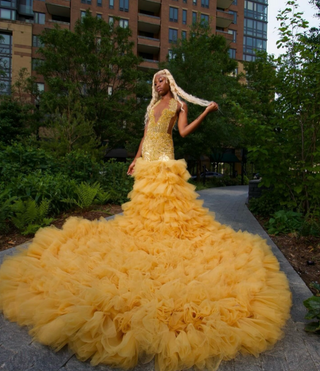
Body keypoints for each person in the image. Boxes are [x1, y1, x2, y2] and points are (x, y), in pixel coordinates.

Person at [0, 69, 291, 371]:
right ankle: (146, 240)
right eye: (154, 82)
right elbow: (146, 133)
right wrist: (136, 158)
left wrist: (206, 112)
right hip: (148, 162)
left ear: (170, 82)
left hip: (166, 162)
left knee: (169, 210)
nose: (157, 85)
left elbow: (182, 133)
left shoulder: (179, 105)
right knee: (143, 210)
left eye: (160, 81)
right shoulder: (151, 106)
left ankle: (168, 244)